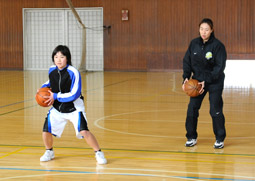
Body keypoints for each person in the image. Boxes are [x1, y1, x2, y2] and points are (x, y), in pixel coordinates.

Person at [39, 45, 107, 164]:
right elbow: (50, 82)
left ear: (67, 58)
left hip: (74, 108)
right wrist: (42, 89)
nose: (58, 59)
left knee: (84, 131)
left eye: (62, 56)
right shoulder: (52, 70)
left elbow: (74, 94)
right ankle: (49, 151)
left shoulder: (73, 72)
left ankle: (98, 152)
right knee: (46, 130)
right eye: (56, 57)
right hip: (58, 108)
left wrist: (55, 96)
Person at [182, 18, 227, 149]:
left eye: (207, 29)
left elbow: (219, 67)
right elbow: (187, 62)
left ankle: (220, 138)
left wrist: (205, 81)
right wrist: (185, 77)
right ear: (199, 29)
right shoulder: (194, 44)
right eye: (201, 29)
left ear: (212, 30)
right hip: (197, 82)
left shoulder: (218, 46)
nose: (204, 32)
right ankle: (191, 136)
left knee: (215, 110)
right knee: (192, 109)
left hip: (214, 82)